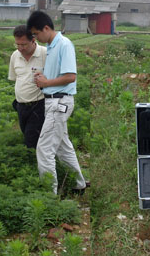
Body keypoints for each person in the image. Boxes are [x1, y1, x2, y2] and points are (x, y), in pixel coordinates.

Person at [26, 11, 87, 195]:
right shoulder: (52, 46)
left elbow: (70, 76)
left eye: (36, 34)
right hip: (54, 102)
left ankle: (49, 196)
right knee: (62, 146)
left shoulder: (64, 44)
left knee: (44, 149)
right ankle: (79, 184)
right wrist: (43, 78)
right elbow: (59, 75)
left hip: (59, 103)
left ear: (46, 28)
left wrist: (46, 83)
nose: (36, 38)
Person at [8, 25, 46, 149]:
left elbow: (58, 78)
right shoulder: (15, 56)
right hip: (21, 105)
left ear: (33, 40)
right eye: (17, 44)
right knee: (26, 134)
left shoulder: (45, 54)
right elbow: (15, 78)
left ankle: (37, 165)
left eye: (23, 45)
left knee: (32, 140)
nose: (20, 48)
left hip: (39, 104)